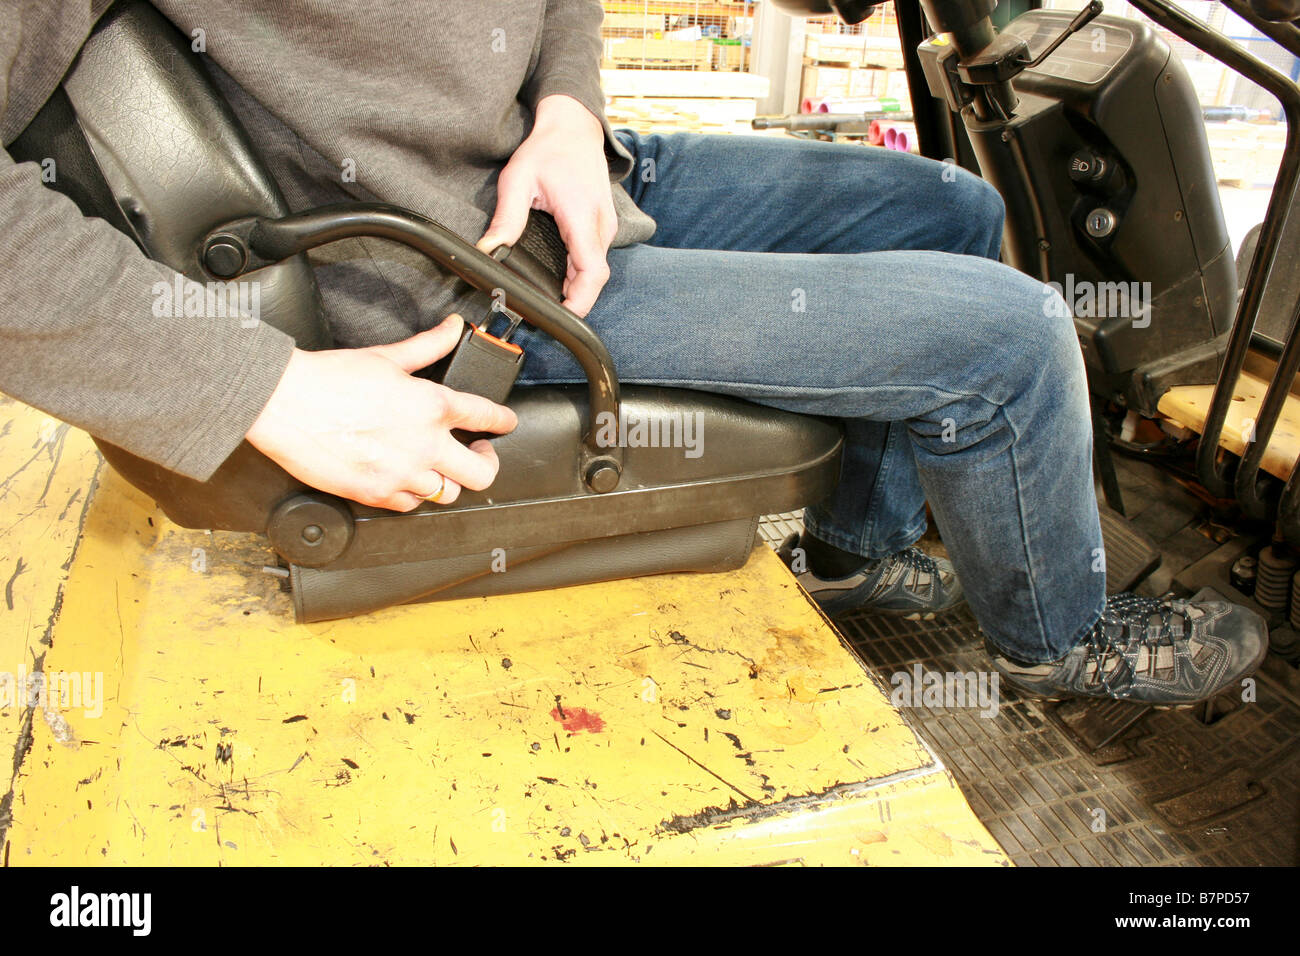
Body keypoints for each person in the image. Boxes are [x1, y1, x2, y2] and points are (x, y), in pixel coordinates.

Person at [0, 0, 1267, 705]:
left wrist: (564, 107)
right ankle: (1053, 634)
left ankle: (858, 555)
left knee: (953, 207)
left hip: (559, 184)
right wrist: (254, 383)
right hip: (458, 291)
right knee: (1014, 332)